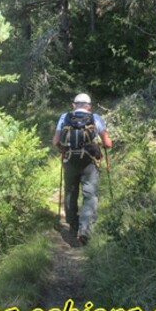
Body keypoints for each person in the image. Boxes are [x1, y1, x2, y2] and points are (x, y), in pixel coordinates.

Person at [52, 93, 113, 245]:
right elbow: (108, 144)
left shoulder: (64, 117)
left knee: (70, 192)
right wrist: (101, 145)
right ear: (89, 106)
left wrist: (63, 150)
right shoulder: (95, 118)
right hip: (89, 162)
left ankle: (73, 226)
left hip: (70, 160)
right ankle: (85, 228)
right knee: (90, 194)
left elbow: (55, 141)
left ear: (74, 104)